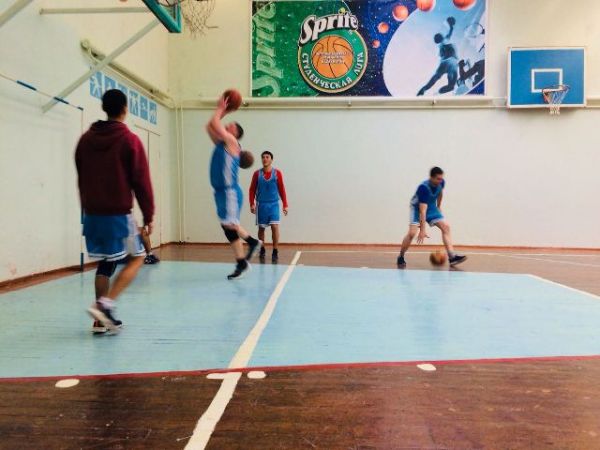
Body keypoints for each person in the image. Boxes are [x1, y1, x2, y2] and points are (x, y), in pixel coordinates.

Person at [75, 89, 154, 334]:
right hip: (118, 215)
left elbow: (81, 177)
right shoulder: (129, 140)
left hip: (92, 215)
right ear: (125, 109)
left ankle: (100, 321)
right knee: (138, 256)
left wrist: (87, 208)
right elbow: (142, 182)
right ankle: (104, 305)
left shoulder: (85, 140)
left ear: (104, 108)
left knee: (105, 263)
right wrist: (149, 215)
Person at [207, 95, 261, 279]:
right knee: (227, 225)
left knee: (230, 226)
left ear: (235, 133)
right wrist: (223, 112)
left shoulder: (232, 142)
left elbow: (215, 122)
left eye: (231, 125)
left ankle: (244, 258)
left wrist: (221, 109)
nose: (227, 125)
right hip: (221, 191)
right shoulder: (222, 143)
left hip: (229, 191)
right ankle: (250, 246)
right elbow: (210, 125)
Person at [397, 167, 466, 268]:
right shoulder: (423, 188)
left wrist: (439, 206)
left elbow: (440, 192)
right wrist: (422, 230)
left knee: (446, 227)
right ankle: (401, 256)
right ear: (431, 178)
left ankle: (452, 257)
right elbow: (422, 211)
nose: (440, 180)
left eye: (441, 178)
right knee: (412, 233)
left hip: (431, 206)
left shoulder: (441, 183)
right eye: (438, 179)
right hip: (417, 208)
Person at [249, 151, 289, 263]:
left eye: (267, 157)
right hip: (261, 204)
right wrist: (252, 203)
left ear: (271, 159)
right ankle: (262, 249)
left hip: (274, 204)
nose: (265, 159)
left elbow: (282, 189)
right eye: (263, 157)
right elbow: (252, 189)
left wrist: (285, 204)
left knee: (275, 226)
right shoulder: (257, 174)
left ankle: (275, 251)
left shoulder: (277, 173)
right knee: (261, 228)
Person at [417, 17, 459, 96]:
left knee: (437, 77)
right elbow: (450, 32)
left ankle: (426, 90)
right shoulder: (444, 41)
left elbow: (441, 56)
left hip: (446, 62)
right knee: (451, 84)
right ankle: (436, 92)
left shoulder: (439, 47)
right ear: (441, 38)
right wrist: (451, 26)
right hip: (451, 62)